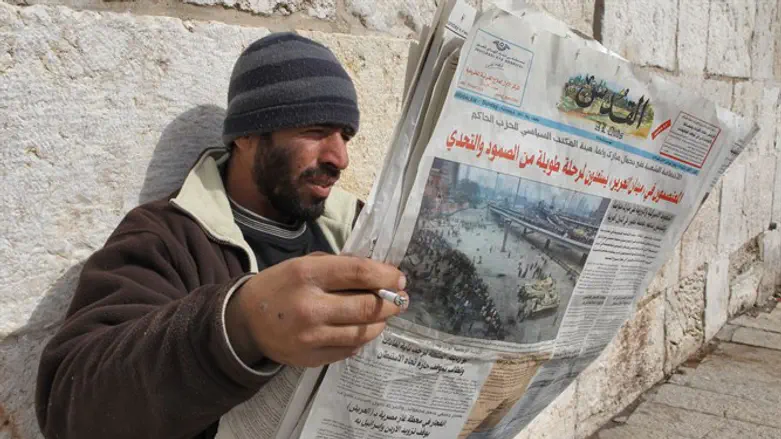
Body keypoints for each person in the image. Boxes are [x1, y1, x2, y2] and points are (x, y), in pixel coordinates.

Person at [34, 33, 409, 439]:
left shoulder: (358, 229)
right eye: (316, 130)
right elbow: (70, 410)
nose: (340, 158)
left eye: (345, 136)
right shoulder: (165, 238)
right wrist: (240, 326)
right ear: (247, 135)